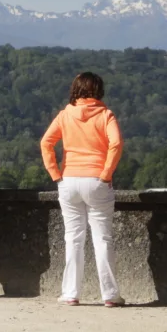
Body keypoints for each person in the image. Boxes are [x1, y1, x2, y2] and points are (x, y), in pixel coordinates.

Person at [41, 71, 124, 307]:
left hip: (68, 180)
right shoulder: (106, 115)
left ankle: (70, 292)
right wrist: (106, 173)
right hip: (97, 179)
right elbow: (116, 143)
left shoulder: (65, 115)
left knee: (73, 238)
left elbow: (46, 142)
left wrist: (55, 174)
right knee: (102, 238)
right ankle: (109, 294)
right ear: (98, 91)